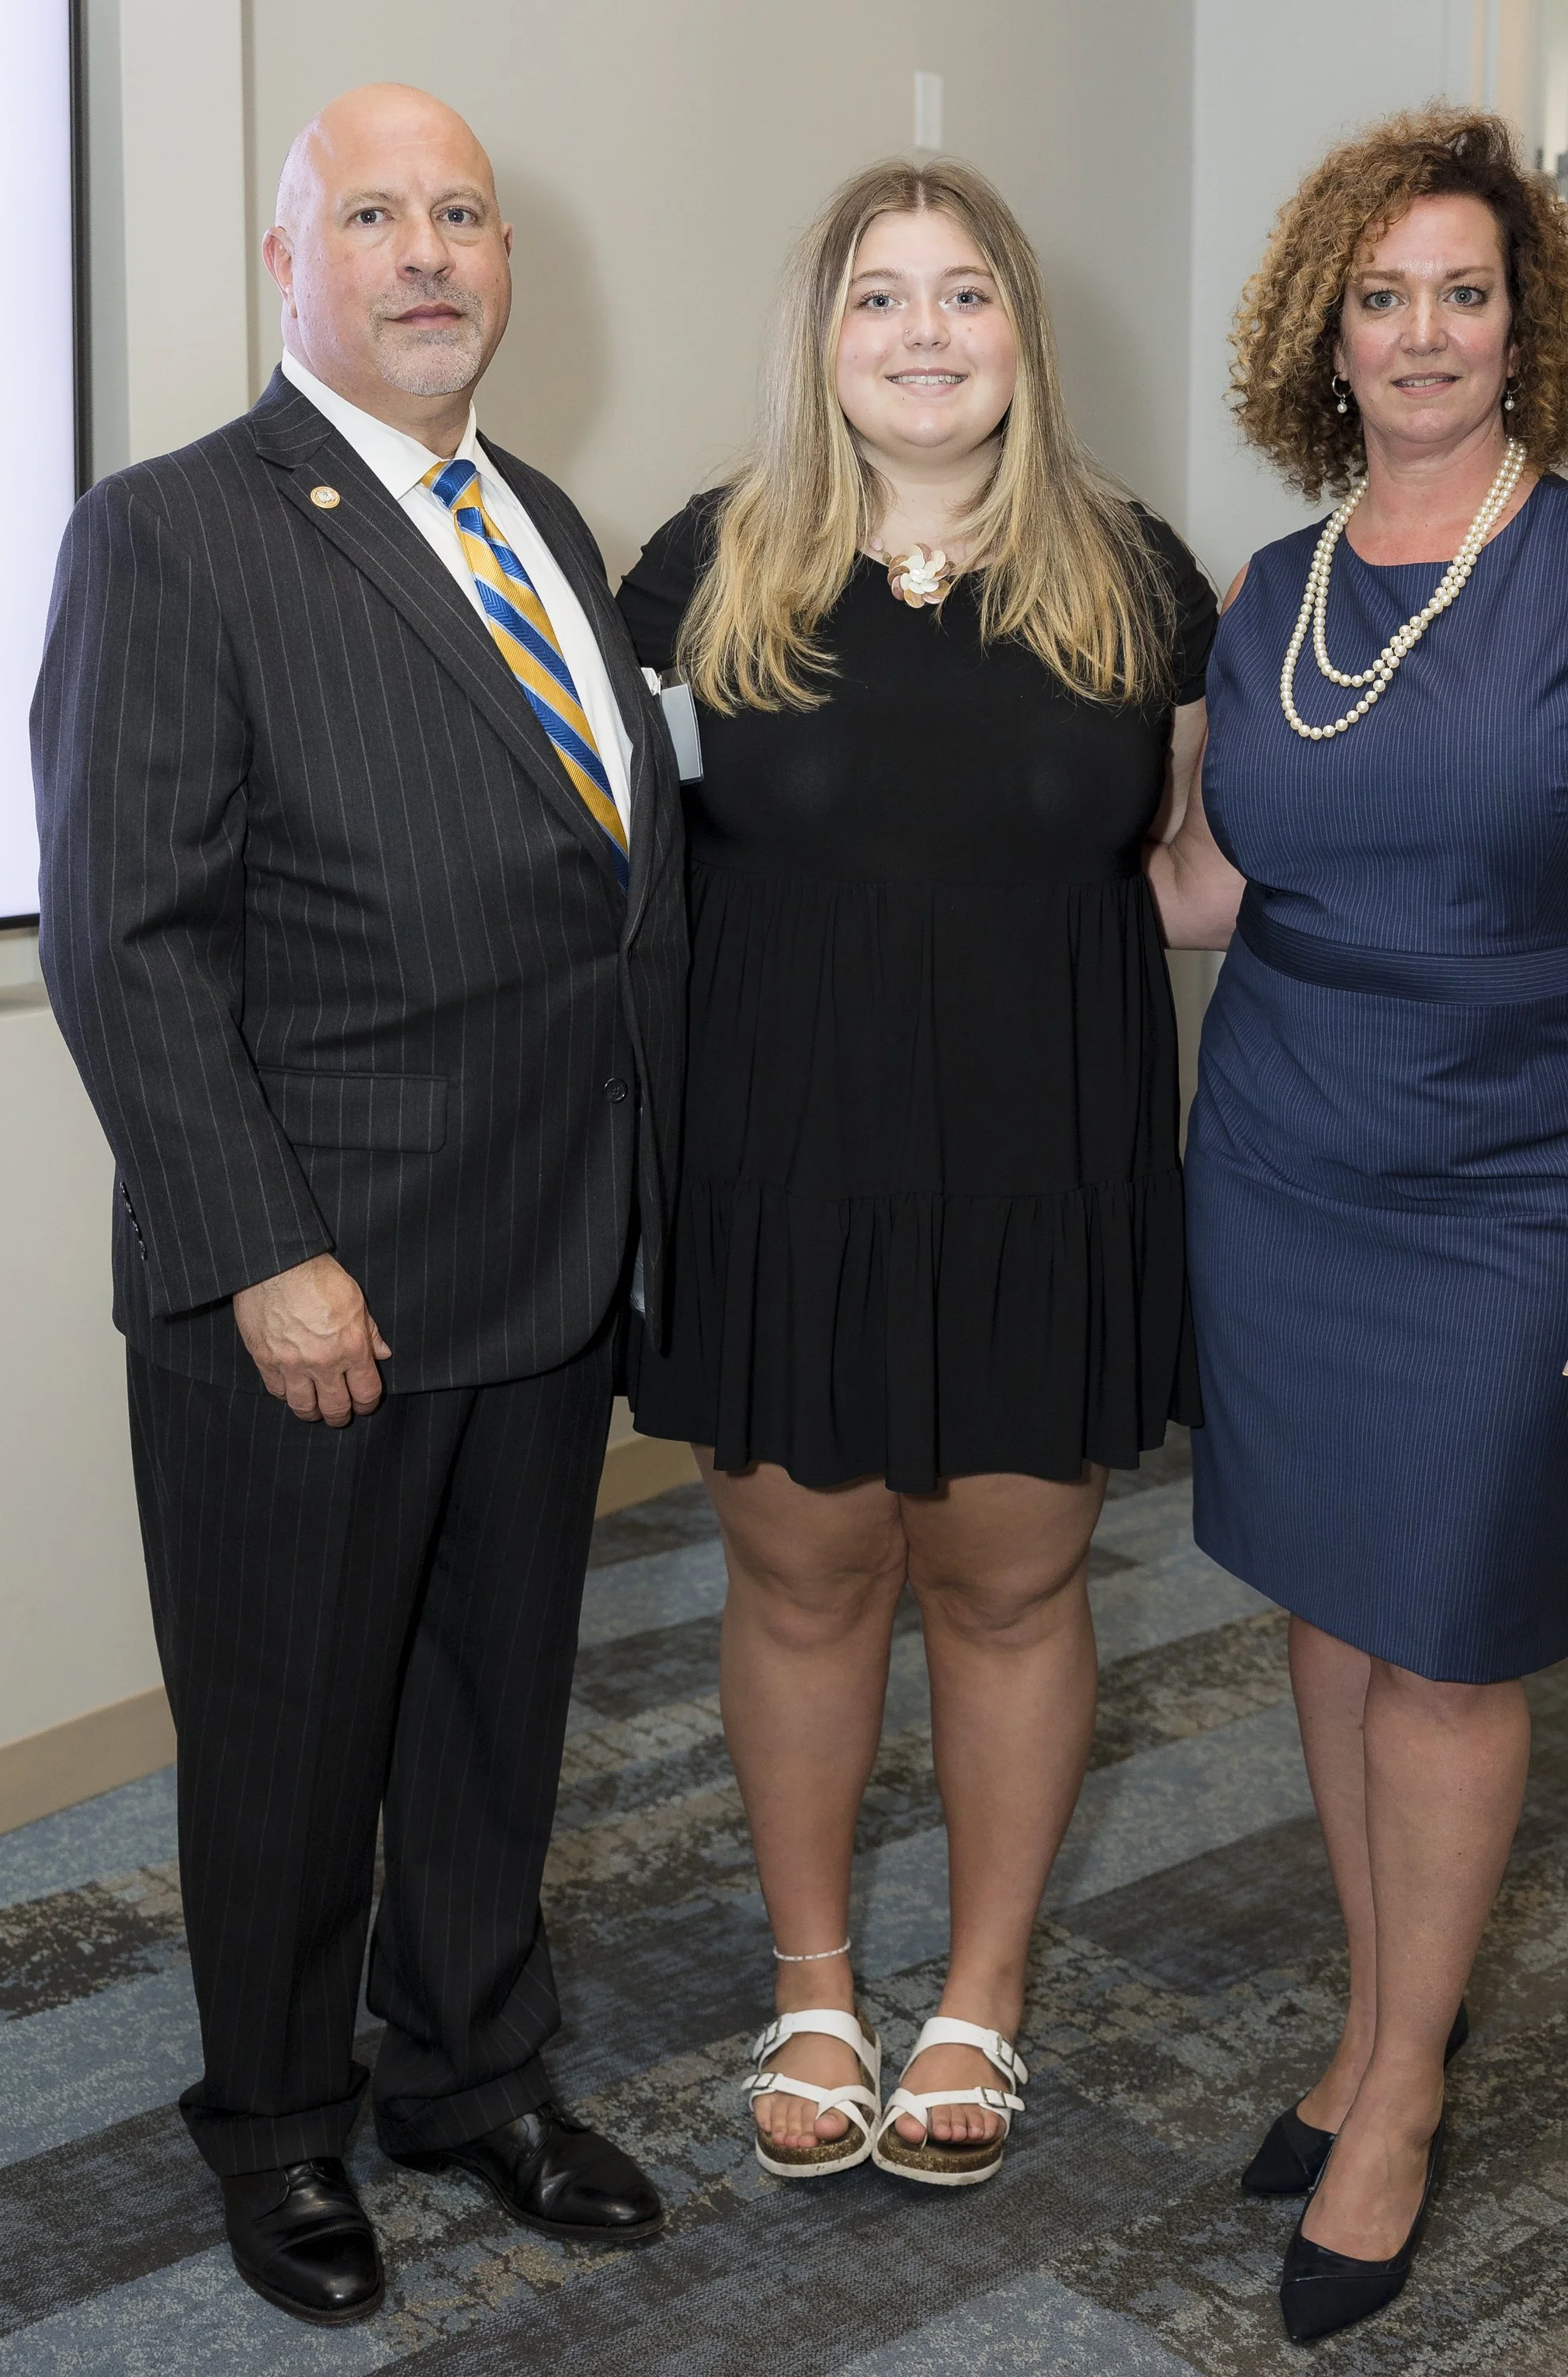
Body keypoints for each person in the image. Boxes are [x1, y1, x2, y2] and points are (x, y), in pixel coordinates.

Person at [32, 85, 686, 2327]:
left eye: (466, 216)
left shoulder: (551, 527)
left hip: (538, 1257)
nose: (429, 253)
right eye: (376, 214)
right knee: (293, 1737)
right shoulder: (176, 533)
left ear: (508, 263)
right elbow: (128, 938)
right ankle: (284, 2126)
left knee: (498, 1714)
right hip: (307, 1274)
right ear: (287, 258)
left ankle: (470, 2073)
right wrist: (259, 1248)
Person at [1149, 108, 1568, 2344]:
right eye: (1380, 291)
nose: (1420, 331)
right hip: (1288, 1156)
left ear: (1524, 324)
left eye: (1463, 291)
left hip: (1519, 1180)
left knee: (1444, 1634)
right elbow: (1214, 887)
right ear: (1326, 323)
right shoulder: (1269, 588)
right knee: (1324, 1604)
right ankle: (1376, 1997)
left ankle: (1399, 2083)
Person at [616, 158, 1216, 2188]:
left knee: (1011, 1578)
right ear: (820, 339)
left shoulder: (1139, 576)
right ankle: (811, 1983)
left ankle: (976, 1991)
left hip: (1043, 1163)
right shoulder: (698, 572)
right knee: (800, 1579)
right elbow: (621, 880)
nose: (924, 332)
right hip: (778, 1163)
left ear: (1020, 337)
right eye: (878, 297)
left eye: (964, 294)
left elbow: (1203, 869)